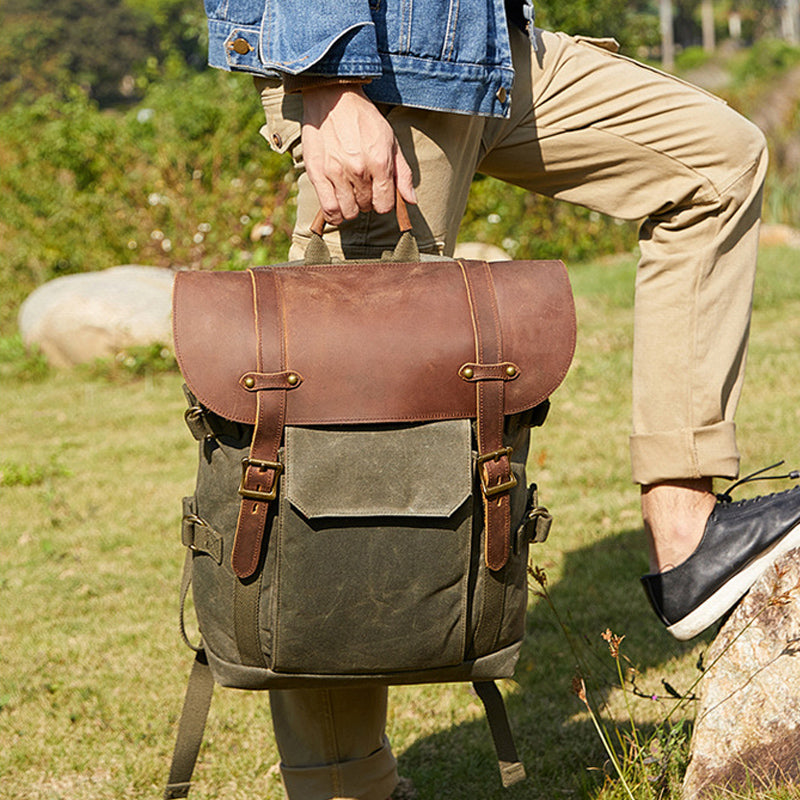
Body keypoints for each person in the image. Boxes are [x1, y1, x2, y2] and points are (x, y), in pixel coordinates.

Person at [203, 1, 800, 797]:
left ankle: (687, 534)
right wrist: (327, 78)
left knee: (715, 162)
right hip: (380, 63)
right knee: (344, 429)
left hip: (484, 41)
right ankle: (345, 788)